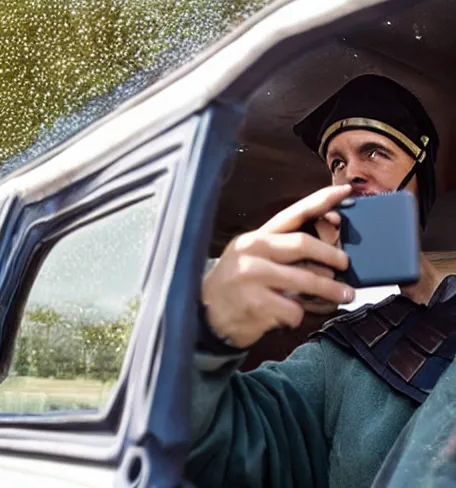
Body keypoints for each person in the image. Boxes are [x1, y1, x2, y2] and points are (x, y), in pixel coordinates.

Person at [185, 74, 456, 488]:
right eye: (337, 163)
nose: (352, 175)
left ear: (421, 174)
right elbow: (199, 447)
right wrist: (206, 334)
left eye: (374, 152)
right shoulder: (337, 356)